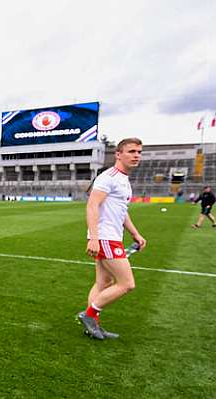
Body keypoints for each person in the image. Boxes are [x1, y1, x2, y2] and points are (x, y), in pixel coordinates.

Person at [78, 138, 147, 340]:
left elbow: (122, 212)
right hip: (105, 238)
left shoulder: (124, 180)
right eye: (132, 151)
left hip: (111, 237)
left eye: (139, 152)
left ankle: (92, 325)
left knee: (103, 282)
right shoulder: (108, 177)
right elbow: (92, 205)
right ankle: (88, 316)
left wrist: (135, 233)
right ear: (118, 154)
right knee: (127, 284)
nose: (136, 155)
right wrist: (94, 238)